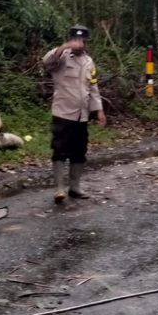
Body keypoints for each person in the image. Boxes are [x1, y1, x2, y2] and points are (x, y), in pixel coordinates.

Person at [42, 25, 106, 202]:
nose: (79, 44)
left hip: (82, 115)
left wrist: (99, 110)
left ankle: (75, 187)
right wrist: (64, 47)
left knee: (79, 151)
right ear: (70, 40)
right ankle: (59, 189)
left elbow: (93, 87)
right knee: (59, 150)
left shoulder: (89, 62)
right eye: (75, 40)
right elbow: (46, 62)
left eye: (82, 41)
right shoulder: (61, 57)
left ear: (86, 42)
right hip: (63, 113)